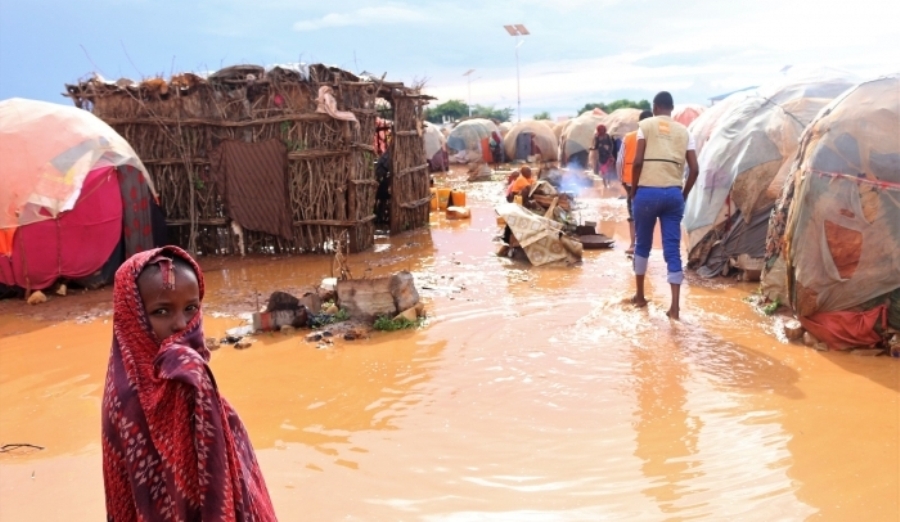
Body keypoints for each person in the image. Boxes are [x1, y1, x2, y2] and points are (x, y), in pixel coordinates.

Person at [102, 246, 277, 521]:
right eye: (161, 311)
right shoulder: (183, 376)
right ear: (131, 317)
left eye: (191, 308)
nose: (181, 324)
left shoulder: (119, 386)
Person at [630, 92, 699, 320]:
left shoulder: (645, 125)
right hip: (673, 194)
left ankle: (640, 297)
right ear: (671, 108)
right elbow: (694, 169)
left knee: (643, 244)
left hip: (647, 193)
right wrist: (683, 193)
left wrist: (633, 191)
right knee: (672, 248)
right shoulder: (684, 131)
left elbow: (638, 161)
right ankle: (675, 309)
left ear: (655, 106)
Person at [616, 109, 654, 255]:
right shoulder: (656, 139)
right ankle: (645, 246)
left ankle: (634, 244)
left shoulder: (629, 137)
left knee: (633, 214)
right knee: (648, 215)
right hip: (650, 182)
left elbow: (620, 162)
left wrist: (623, 182)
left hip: (631, 183)